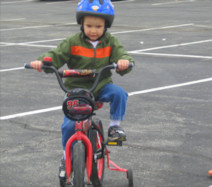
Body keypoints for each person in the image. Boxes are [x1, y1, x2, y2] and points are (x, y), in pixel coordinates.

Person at [29, 0, 134, 181]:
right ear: (81, 24)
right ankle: (65, 157)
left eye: (98, 26)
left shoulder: (111, 42)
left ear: (106, 26)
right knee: (69, 125)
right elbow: (55, 54)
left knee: (119, 94)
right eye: (89, 25)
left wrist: (124, 62)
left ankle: (115, 128)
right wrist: (43, 63)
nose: (93, 30)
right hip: (77, 90)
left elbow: (122, 55)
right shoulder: (72, 42)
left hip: (101, 86)